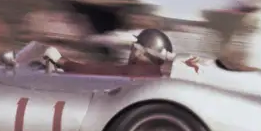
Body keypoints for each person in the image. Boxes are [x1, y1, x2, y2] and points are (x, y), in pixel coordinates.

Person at [42, 28, 201, 77]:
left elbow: (97, 71)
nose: (132, 49)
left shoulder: (136, 72)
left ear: (142, 52)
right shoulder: (155, 75)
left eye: (135, 46)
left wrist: (64, 62)